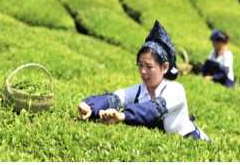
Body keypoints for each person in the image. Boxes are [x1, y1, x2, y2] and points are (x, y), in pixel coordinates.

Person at [77, 21, 209, 141]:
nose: (143, 71)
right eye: (140, 65)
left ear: (164, 67)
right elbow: (116, 98)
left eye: (149, 66)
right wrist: (90, 106)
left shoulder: (176, 90)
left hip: (192, 141)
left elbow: (155, 108)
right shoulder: (139, 90)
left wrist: (123, 116)